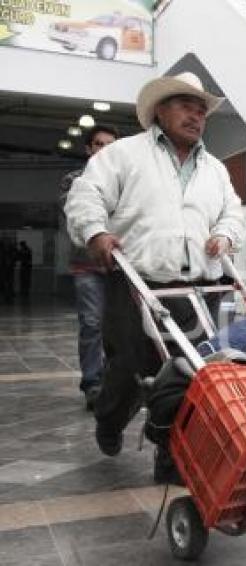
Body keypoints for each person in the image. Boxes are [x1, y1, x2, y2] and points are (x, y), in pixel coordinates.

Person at [64, 72, 246, 482]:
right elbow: (86, 194)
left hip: (199, 290)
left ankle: (172, 458)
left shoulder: (215, 169)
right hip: (137, 284)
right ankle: (110, 421)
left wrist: (225, 234)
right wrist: (95, 232)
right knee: (129, 369)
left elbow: (233, 212)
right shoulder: (124, 155)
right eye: (186, 106)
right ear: (160, 111)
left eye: (201, 110)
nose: (196, 116)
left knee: (190, 375)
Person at [58, 124, 119, 410]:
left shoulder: (125, 181)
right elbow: (78, 213)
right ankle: (93, 383)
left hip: (122, 268)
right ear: (88, 149)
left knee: (120, 329)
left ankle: (116, 382)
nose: (104, 150)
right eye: (98, 144)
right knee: (92, 324)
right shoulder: (73, 180)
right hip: (87, 266)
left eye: (109, 145)